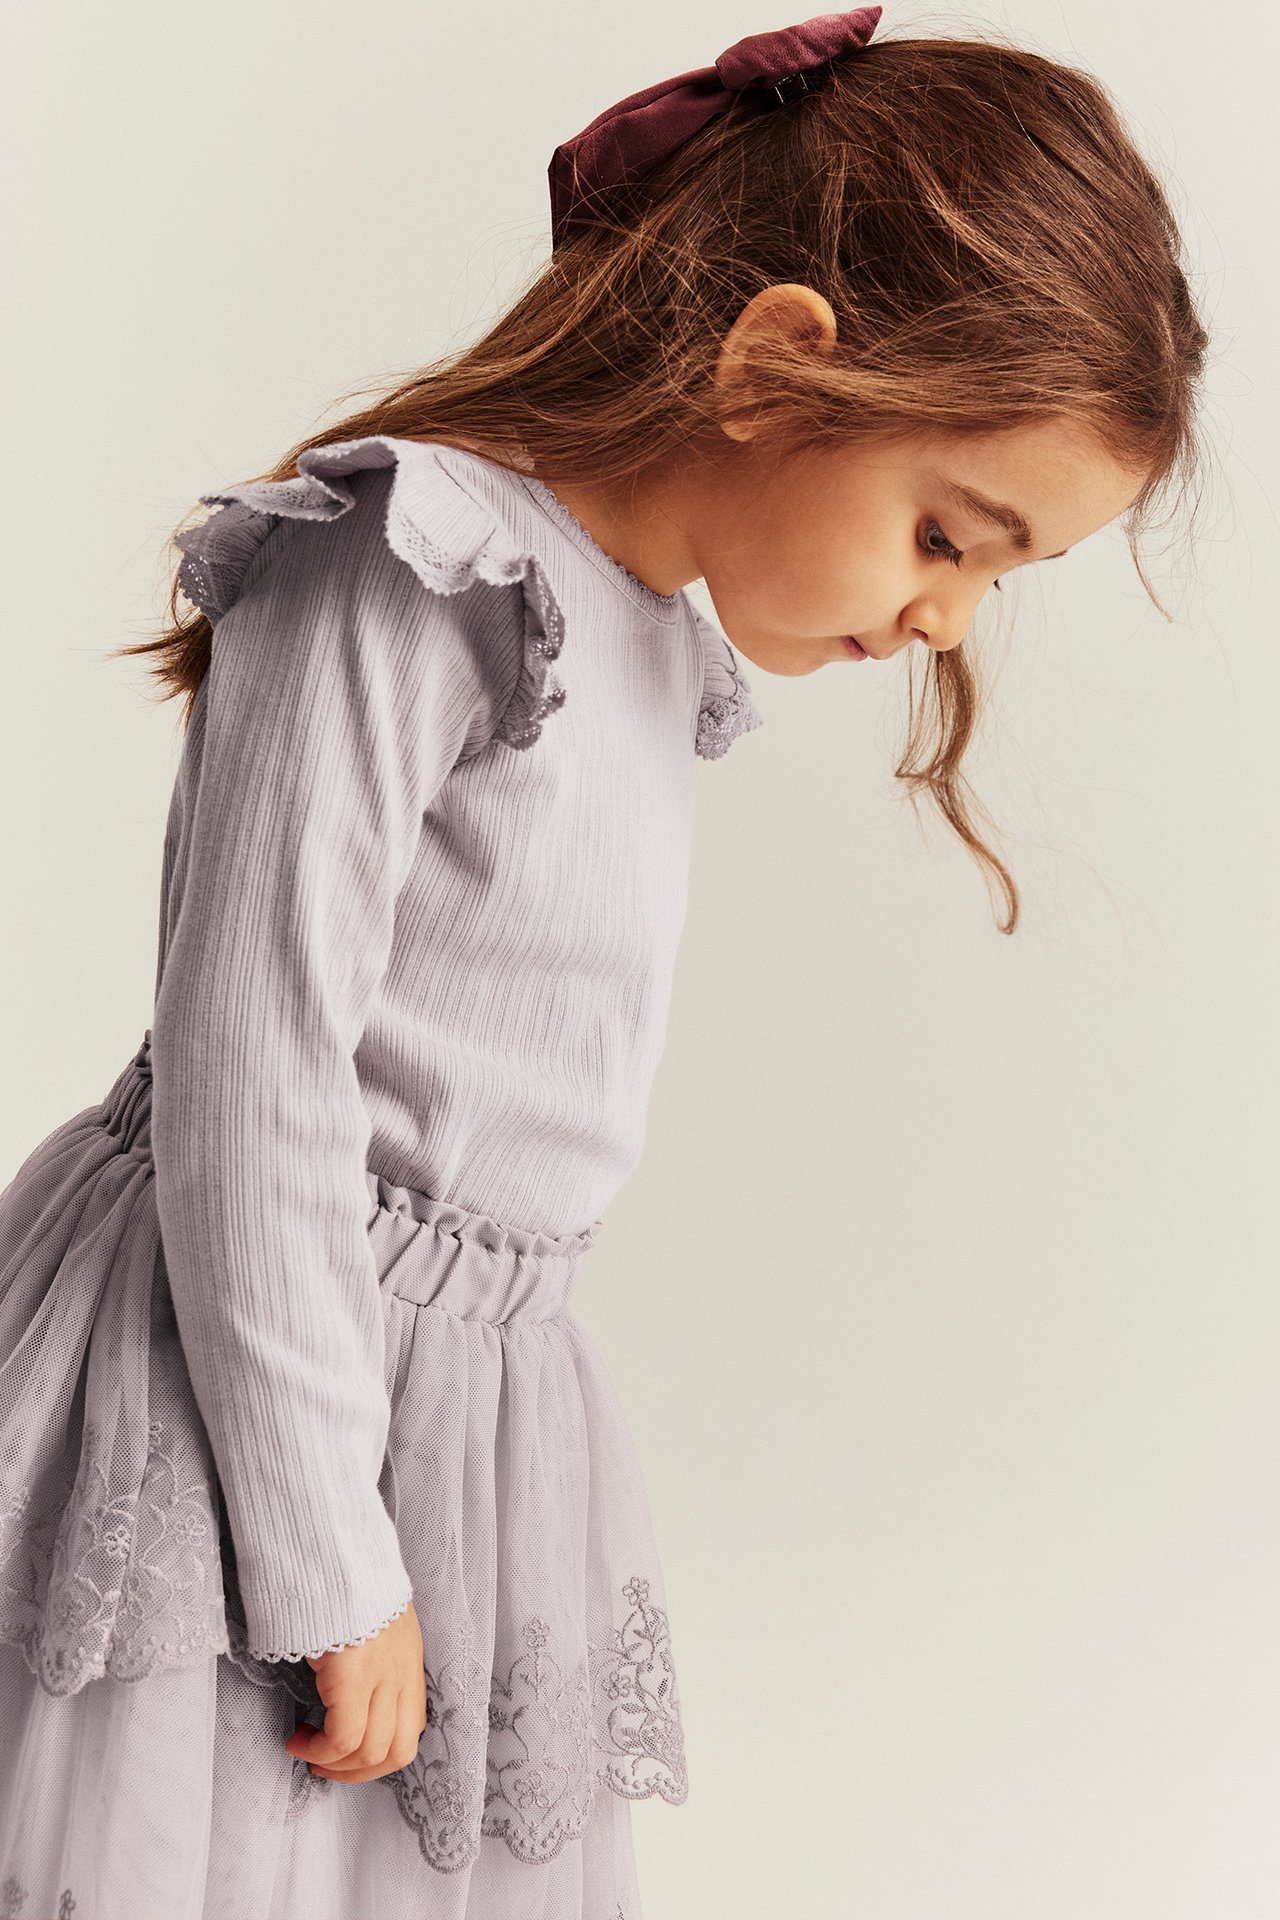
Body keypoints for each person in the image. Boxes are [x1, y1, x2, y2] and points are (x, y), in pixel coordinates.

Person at [0, 8, 1208, 1917]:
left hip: (469, 1401)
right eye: (946, 534)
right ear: (778, 360)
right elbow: (255, 1075)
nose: (945, 615)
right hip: (249, 1365)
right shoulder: (414, 575)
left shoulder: (647, 634)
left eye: (998, 574)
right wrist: (321, 1543)